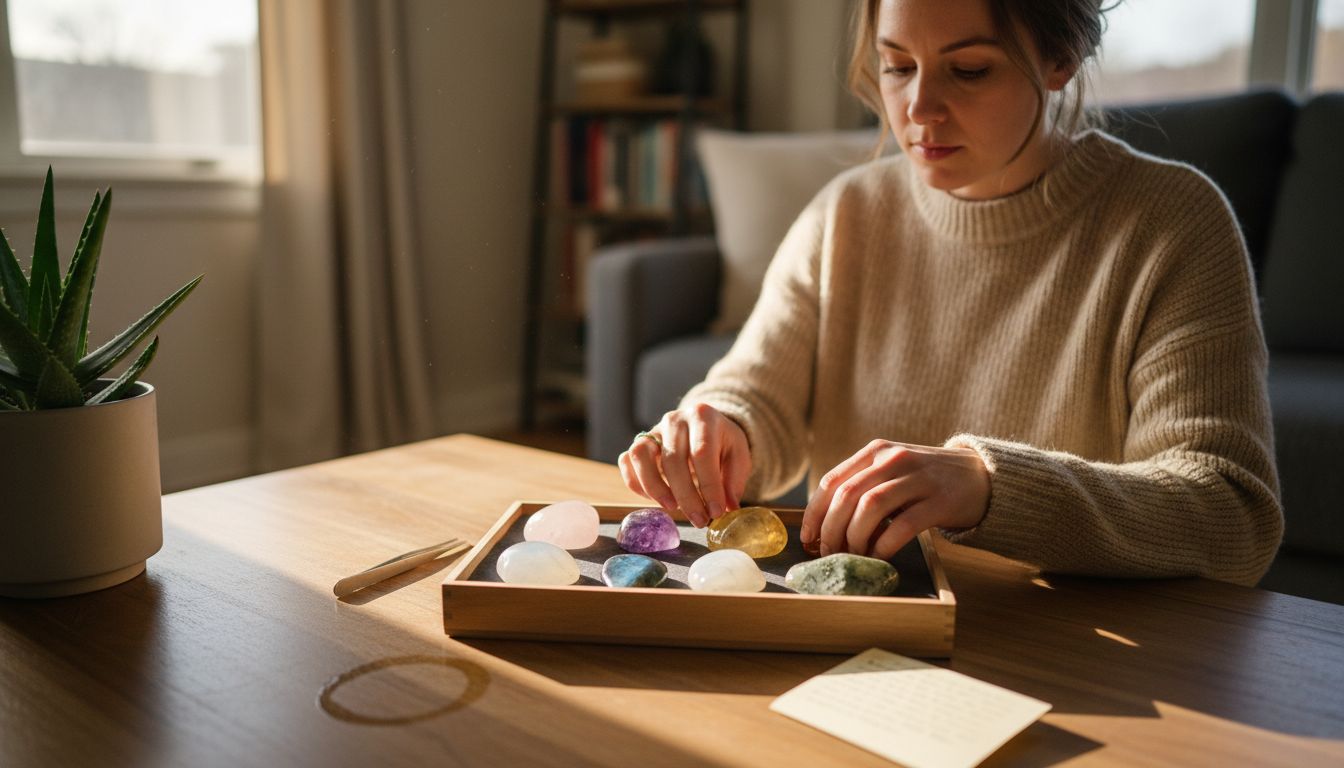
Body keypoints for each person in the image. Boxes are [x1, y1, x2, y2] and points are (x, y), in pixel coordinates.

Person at [619, 0, 1284, 586]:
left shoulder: (1174, 222)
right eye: (897, 65)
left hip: (1074, 654)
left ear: (1060, 58)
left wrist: (989, 486)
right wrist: (722, 425)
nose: (918, 109)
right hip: (860, 634)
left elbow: (1230, 513)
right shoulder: (844, 213)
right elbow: (758, 393)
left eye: (968, 70)